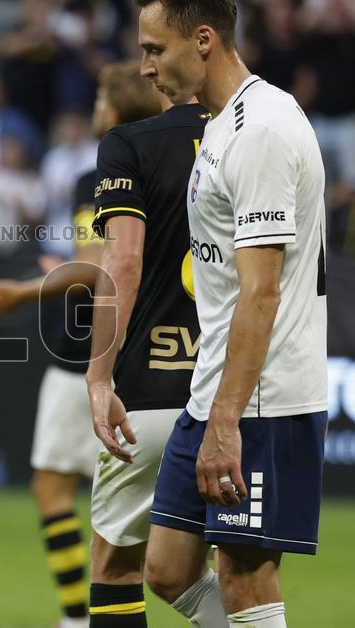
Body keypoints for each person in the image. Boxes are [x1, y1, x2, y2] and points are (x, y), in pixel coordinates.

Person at [99, 0, 328, 627]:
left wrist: (227, 422)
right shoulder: (222, 123)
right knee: (167, 569)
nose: (145, 67)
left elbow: (262, 293)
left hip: (260, 399)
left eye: (155, 49)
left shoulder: (262, 131)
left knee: (244, 576)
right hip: (213, 389)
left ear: (203, 39)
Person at [0, 61, 163, 628]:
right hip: (151, 350)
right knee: (151, 507)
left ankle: (76, 618)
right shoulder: (176, 168)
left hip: (85, 350)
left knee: (55, 489)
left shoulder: (102, 175)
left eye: (102, 95)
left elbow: (99, 260)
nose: (96, 104)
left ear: (115, 108)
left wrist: (29, 290)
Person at [85, 72, 220, 626]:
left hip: (155, 382)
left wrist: (99, 377)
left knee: (116, 565)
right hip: (241, 389)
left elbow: (121, 261)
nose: (145, 64)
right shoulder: (265, 135)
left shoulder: (129, 145)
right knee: (207, 573)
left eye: (152, 50)